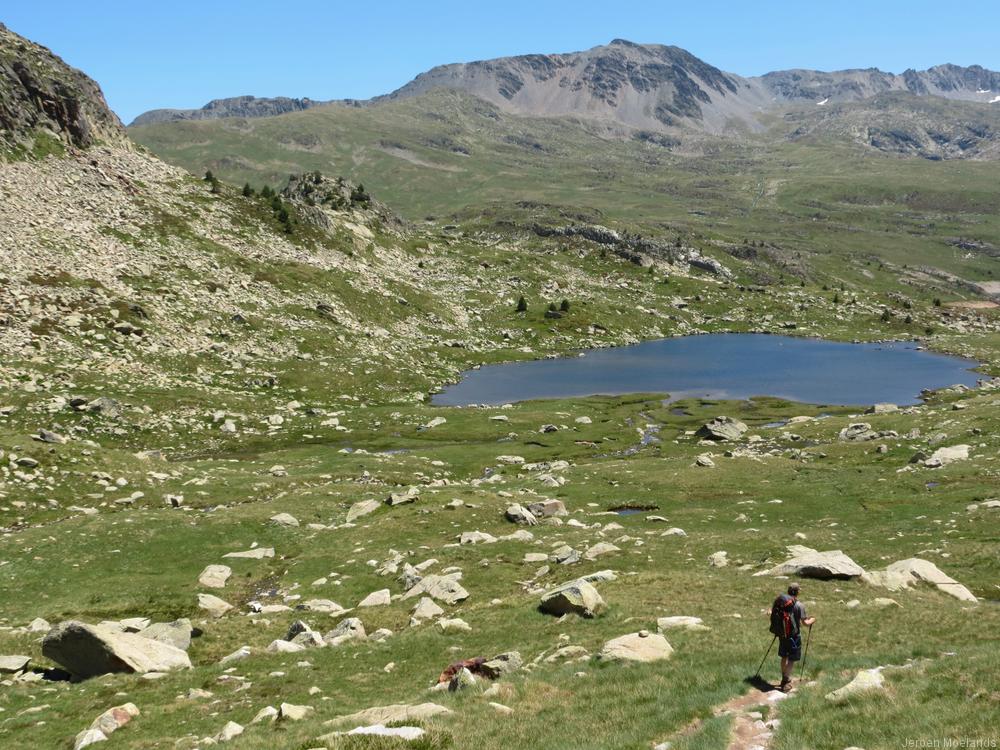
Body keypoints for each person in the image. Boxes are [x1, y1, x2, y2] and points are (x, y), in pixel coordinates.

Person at [772, 582, 815, 691]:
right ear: (798, 592)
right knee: (791, 659)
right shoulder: (799, 605)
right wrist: (812, 620)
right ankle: (786, 681)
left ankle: (783, 678)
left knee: (784, 656)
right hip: (794, 636)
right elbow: (805, 623)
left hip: (782, 634)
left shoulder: (782, 603)